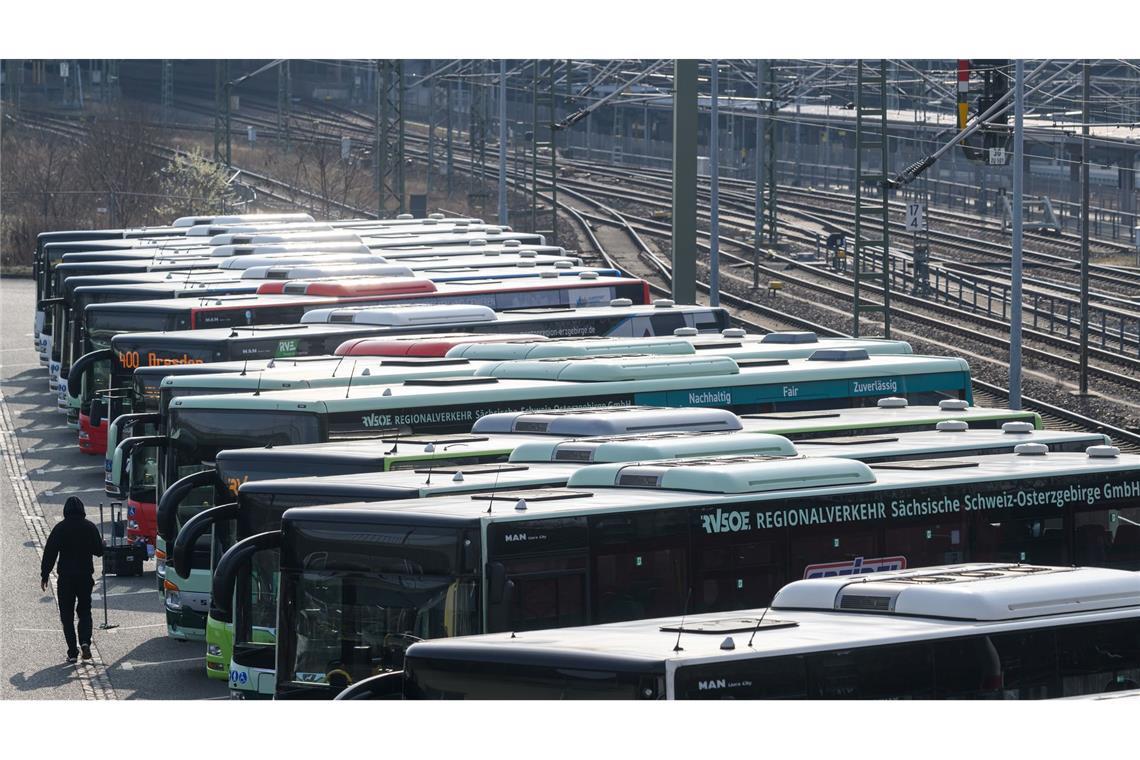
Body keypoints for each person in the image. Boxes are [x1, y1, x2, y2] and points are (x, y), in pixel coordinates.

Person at [40, 497, 104, 664]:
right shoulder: (89, 527)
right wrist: (102, 544)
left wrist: (45, 574)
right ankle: (84, 641)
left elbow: (50, 552)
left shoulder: (60, 528)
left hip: (66, 578)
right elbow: (99, 551)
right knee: (84, 610)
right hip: (84, 577)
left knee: (66, 615)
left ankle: (72, 651)